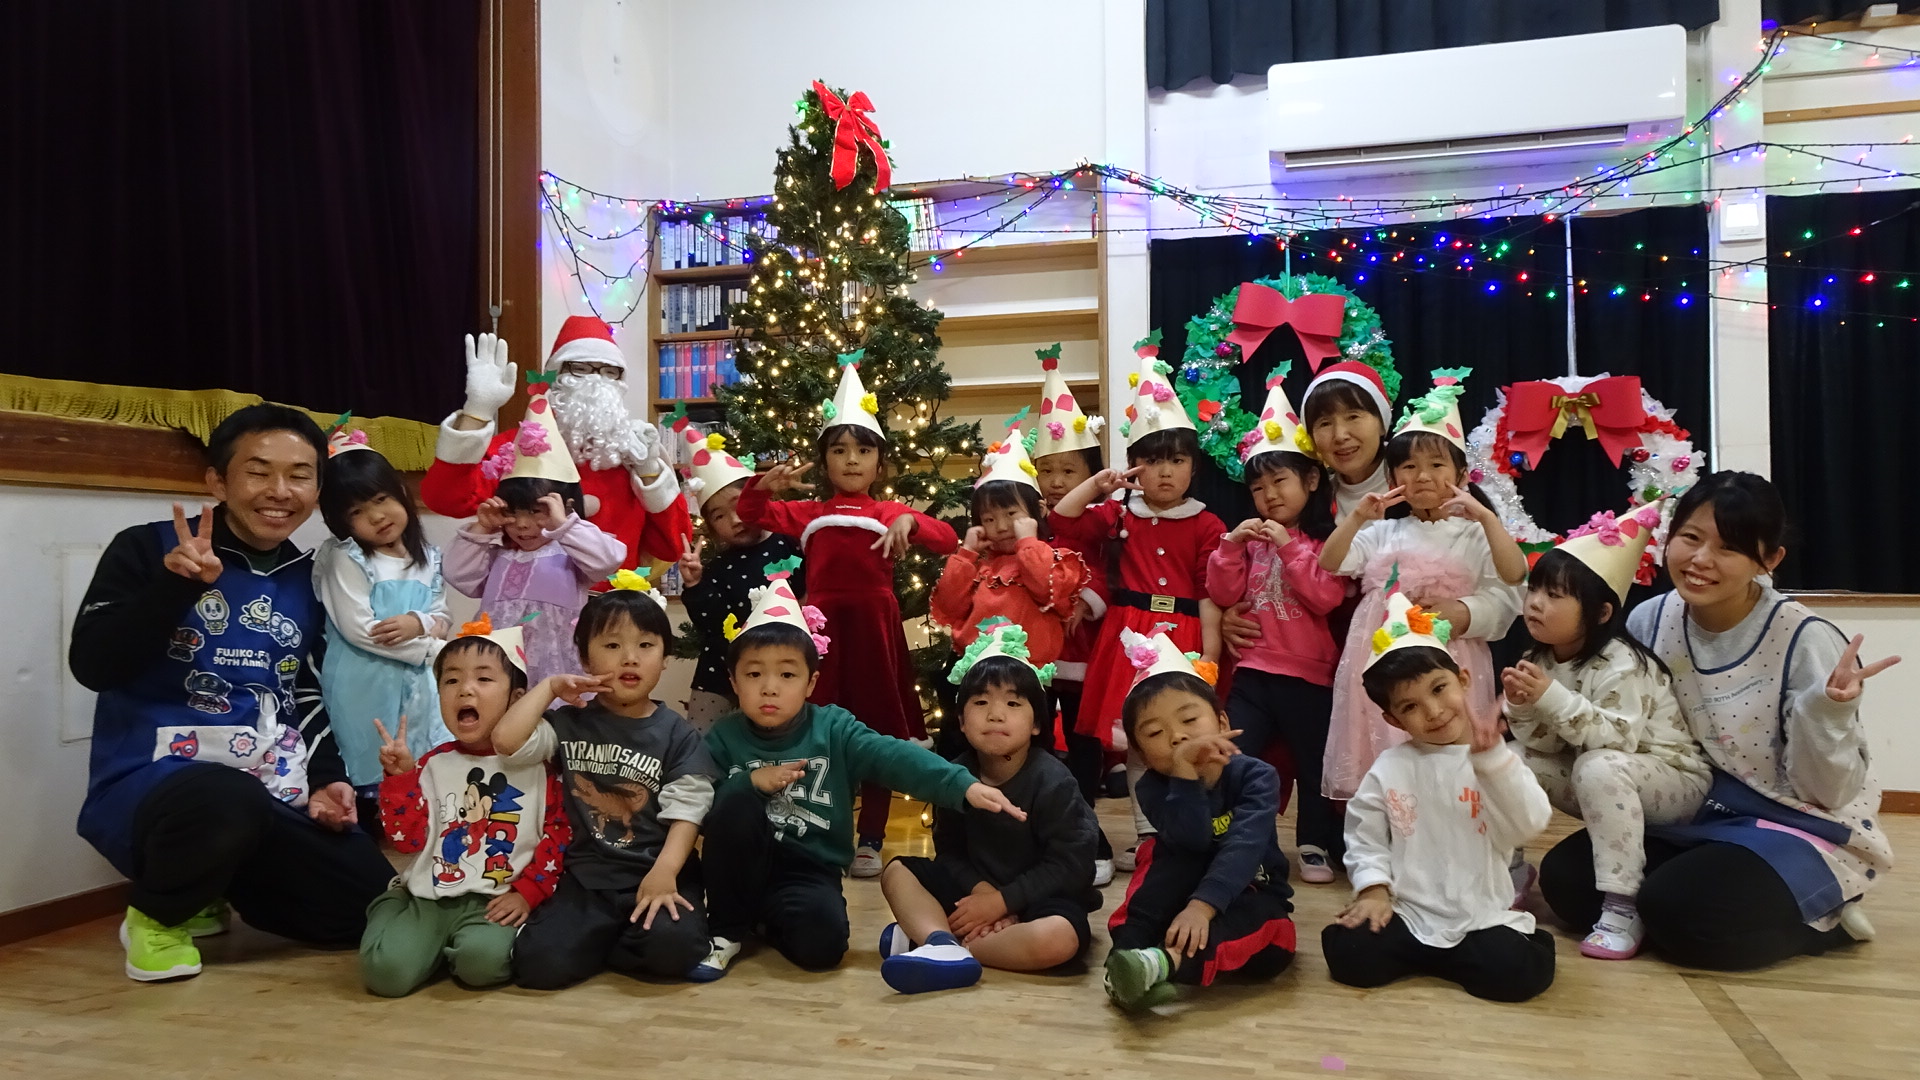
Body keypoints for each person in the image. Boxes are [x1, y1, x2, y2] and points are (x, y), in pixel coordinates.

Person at [71, 404, 393, 982]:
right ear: (217, 481)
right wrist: (173, 587)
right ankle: (157, 917)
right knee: (225, 797)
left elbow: (306, 690)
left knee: (370, 905)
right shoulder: (147, 549)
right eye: (259, 472)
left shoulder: (312, 577)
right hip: (155, 784)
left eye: (300, 475)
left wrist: (326, 779)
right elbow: (94, 665)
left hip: (267, 787)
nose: (280, 491)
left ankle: (212, 883)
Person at [1539, 472, 1898, 970]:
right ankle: (1675, 905)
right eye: (1690, 537)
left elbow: (1829, 792)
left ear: (1769, 560)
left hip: (1793, 822)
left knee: (1687, 915)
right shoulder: (1649, 620)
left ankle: (1825, 918)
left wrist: (1828, 713)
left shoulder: (1807, 640)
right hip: (1691, 808)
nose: (1701, 559)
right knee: (1567, 883)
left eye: (1729, 547)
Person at [695, 561, 1027, 980]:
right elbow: (699, 805)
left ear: (811, 682)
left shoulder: (835, 728)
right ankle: (726, 930)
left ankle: (763, 918)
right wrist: (749, 783)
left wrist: (962, 786)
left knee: (822, 947)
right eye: (754, 674)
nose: (770, 687)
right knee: (736, 800)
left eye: (787, 674)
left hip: (808, 870)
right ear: (734, 681)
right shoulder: (723, 736)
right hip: (740, 865)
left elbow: (893, 756)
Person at [734, 351, 960, 877]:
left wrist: (911, 523)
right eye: (839, 450)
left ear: (880, 463)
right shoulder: (811, 512)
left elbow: (947, 538)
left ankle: (871, 838)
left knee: (878, 731)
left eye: (863, 450)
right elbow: (750, 513)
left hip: (876, 636)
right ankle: (821, 829)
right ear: (825, 461)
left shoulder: (888, 510)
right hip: (823, 636)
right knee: (816, 727)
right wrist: (761, 485)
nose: (852, 460)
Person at [1321, 591, 1556, 1003]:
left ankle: (1478, 952)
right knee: (1350, 954)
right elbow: (1365, 838)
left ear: (1463, 680)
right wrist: (1374, 890)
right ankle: (1437, 956)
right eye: (1411, 706)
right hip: (1408, 913)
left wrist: (1492, 763)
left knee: (1516, 972)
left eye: (1439, 688)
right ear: (1393, 718)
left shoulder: (1498, 759)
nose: (1433, 711)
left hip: (1478, 915)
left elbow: (1528, 823)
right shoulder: (1390, 767)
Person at [1502, 501, 1710, 959]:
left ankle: (1622, 905)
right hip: (1600, 774)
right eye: (1534, 589)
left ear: (1599, 613)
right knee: (1509, 760)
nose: (1536, 602)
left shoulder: (1622, 661)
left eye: (1555, 595)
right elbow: (1545, 743)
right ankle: (1509, 871)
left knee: (1599, 765)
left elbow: (1618, 740)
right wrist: (1521, 708)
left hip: (1674, 783)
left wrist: (1549, 698)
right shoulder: (1539, 658)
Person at [1051, 333, 1225, 874]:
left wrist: (1210, 657)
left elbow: (1210, 593)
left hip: (1185, 634)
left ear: (1193, 466)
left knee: (1184, 733)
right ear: (1133, 466)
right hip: (1127, 638)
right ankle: (1148, 834)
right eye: (1151, 461)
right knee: (1138, 739)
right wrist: (1100, 485)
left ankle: (1191, 829)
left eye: (1176, 460)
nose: (1165, 472)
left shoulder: (1207, 523)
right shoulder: (1119, 512)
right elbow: (1062, 519)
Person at [491, 583, 720, 988]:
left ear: (665, 658)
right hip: (585, 878)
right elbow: (506, 742)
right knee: (538, 966)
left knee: (675, 949)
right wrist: (549, 688)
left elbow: (688, 811)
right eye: (612, 645)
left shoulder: (678, 734)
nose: (630, 657)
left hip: (657, 872)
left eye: (646, 645)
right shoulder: (568, 723)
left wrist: (665, 871)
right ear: (584, 658)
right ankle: (605, 940)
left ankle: (604, 944)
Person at [1319, 368, 1526, 800]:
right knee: (1388, 746)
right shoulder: (1384, 532)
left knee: (1452, 753)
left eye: (1436, 465)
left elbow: (1514, 577)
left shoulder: (1475, 534)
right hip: (1381, 657)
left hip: (1451, 657)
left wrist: (1487, 522)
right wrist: (1358, 518)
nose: (1423, 476)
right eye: (1409, 467)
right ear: (1394, 479)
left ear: (1462, 474)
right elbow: (1331, 561)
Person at [877, 619, 1099, 993]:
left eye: (1013, 703)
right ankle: (941, 942)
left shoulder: (1054, 781)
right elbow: (949, 853)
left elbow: (1072, 864)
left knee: (1059, 939)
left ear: (1036, 723)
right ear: (962, 722)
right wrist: (982, 894)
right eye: (981, 703)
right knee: (897, 871)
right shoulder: (955, 777)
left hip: (1040, 899)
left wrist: (1003, 902)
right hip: (975, 894)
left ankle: (949, 945)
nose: (996, 714)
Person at [359, 617, 570, 996]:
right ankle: (393, 904)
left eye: (484, 679)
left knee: (481, 965)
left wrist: (528, 892)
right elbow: (406, 842)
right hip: (428, 897)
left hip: (497, 899)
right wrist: (400, 779)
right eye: (451, 680)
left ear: (517, 699)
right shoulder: (432, 764)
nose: (465, 689)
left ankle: (446, 948)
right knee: (386, 975)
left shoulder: (539, 767)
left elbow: (557, 835)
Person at [1101, 630, 1295, 1011]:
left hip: (1250, 887)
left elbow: (1244, 848)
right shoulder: (1152, 787)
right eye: (1155, 732)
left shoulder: (1257, 777)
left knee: (1269, 930)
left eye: (1189, 718)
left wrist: (1202, 907)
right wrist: (1184, 776)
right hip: (1182, 888)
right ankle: (1124, 962)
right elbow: (1192, 839)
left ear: (1222, 722)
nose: (1177, 736)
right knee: (1154, 863)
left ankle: (1160, 964)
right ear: (1141, 753)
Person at [1207, 368, 1346, 883]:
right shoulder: (1251, 541)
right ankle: (1252, 844)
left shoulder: (1323, 541)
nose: (1268, 495)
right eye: (1258, 487)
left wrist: (1288, 548)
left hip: (1309, 677)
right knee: (1237, 756)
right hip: (1253, 672)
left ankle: (1314, 843)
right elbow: (1223, 594)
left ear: (1311, 480)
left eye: (1279, 481)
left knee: (1313, 765)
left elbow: (1325, 595)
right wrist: (1230, 547)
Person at [420, 319, 691, 574]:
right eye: (580, 368)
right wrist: (476, 413)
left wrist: (649, 473)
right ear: (557, 375)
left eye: (610, 371)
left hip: (612, 604)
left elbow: (673, 546)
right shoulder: (516, 447)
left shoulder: (635, 452)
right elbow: (445, 500)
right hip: (529, 598)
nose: (595, 380)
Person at [442, 372, 626, 687]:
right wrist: (482, 530)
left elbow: (608, 559)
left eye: (536, 511)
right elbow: (457, 574)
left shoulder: (571, 553)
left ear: (563, 506)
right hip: (497, 673)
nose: (523, 524)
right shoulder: (498, 554)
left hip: (556, 673)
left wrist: (564, 526)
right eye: (512, 512)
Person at [313, 420, 453, 821]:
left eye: (380, 499)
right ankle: (368, 822)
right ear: (340, 521)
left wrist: (417, 622)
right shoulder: (346, 558)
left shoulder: (428, 557)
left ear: (401, 493)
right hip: (365, 680)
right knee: (369, 751)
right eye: (357, 511)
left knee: (420, 747)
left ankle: (415, 823)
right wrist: (430, 649)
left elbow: (442, 615)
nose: (376, 516)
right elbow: (361, 630)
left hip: (419, 684)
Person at [1219, 359, 1398, 654]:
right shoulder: (1311, 500)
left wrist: (1467, 614)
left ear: (1382, 420)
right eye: (1325, 423)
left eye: (1353, 416)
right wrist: (1232, 616)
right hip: (1340, 654)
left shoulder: (1419, 480)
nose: (1340, 435)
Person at [1026, 343, 1114, 883]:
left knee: (1083, 746)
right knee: (1034, 741)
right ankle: (1037, 831)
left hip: (1083, 653)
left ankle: (1088, 831)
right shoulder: (1027, 518)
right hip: (1036, 652)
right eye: (1047, 470)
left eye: (1068, 470)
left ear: (1090, 472)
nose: (1057, 481)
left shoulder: (1098, 520)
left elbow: (1102, 569)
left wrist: (1086, 598)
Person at [667, 412, 803, 733]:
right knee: (704, 742)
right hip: (720, 672)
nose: (735, 520)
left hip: (782, 665)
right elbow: (711, 624)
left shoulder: (792, 545)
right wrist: (695, 584)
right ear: (711, 527)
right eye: (719, 516)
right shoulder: (717, 568)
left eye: (740, 505)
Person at [930, 417, 1088, 676]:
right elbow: (950, 605)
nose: (1002, 526)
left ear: (1038, 511)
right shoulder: (980, 568)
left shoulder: (1057, 559)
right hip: (977, 670)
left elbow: (1045, 589)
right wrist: (966, 554)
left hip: (1030, 673)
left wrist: (1027, 543)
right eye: (989, 519)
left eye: (1011, 514)